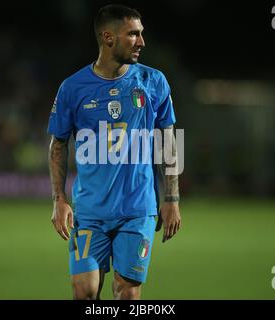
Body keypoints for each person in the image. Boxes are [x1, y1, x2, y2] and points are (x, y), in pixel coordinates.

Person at [47, 4, 181, 300]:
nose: (142, 42)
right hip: (90, 211)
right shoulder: (73, 88)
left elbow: (169, 142)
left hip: (137, 209)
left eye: (141, 34)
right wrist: (59, 199)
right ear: (108, 38)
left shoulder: (153, 82)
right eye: (133, 35)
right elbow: (58, 145)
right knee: (84, 290)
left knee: (127, 293)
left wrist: (171, 199)